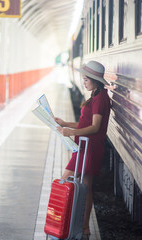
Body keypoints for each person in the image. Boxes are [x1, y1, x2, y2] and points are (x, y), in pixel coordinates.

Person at [55, 60, 111, 239]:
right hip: (85, 147)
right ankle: (82, 227)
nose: (83, 82)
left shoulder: (100, 99)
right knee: (84, 187)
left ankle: (74, 225)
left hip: (90, 149)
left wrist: (72, 131)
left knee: (68, 182)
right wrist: (65, 123)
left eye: (86, 79)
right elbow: (84, 123)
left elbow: (95, 127)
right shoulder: (95, 95)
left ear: (95, 80)